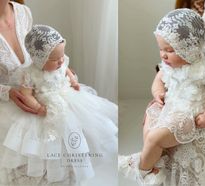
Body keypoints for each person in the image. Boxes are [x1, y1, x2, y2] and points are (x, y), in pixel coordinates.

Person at [119, 8, 205, 185]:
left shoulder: (204, 69)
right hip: (169, 106)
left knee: (156, 137)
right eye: (161, 49)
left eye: (169, 50)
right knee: (149, 125)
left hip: (188, 115)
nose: (163, 55)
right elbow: (158, 81)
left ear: (189, 49)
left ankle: (142, 169)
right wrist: (158, 93)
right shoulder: (168, 66)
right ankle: (154, 162)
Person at [0, 24, 118, 185]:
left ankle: (69, 170)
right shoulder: (30, 74)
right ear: (39, 59)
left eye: (62, 56)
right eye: (54, 59)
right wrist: (37, 107)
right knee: (47, 142)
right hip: (45, 106)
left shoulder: (61, 63)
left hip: (66, 100)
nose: (61, 61)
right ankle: (48, 174)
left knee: (72, 133)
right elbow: (26, 95)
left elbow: (67, 70)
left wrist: (73, 81)